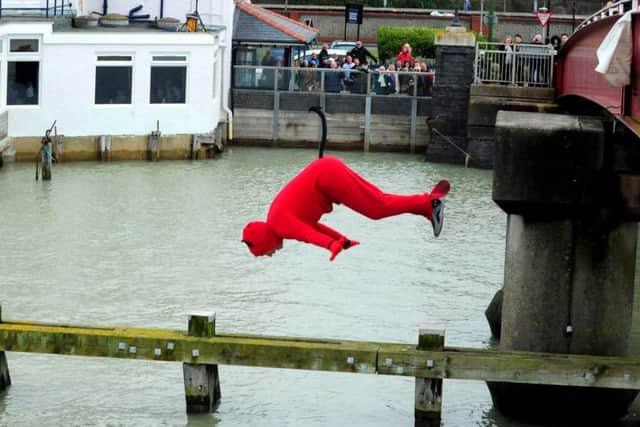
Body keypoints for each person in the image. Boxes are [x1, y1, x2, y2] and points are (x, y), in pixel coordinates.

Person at [242, 156, 450, 260]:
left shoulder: (280, 225)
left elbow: (308, 235)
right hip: (326, 171)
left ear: (265, 241)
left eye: (265, 252)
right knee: (379, 201)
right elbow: (314, 229)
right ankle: (426, 207)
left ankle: (428, 203)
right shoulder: (277, 221)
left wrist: (330, 246)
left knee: (377, 208)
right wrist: (341, 241)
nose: (270, 255)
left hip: (328, 179)